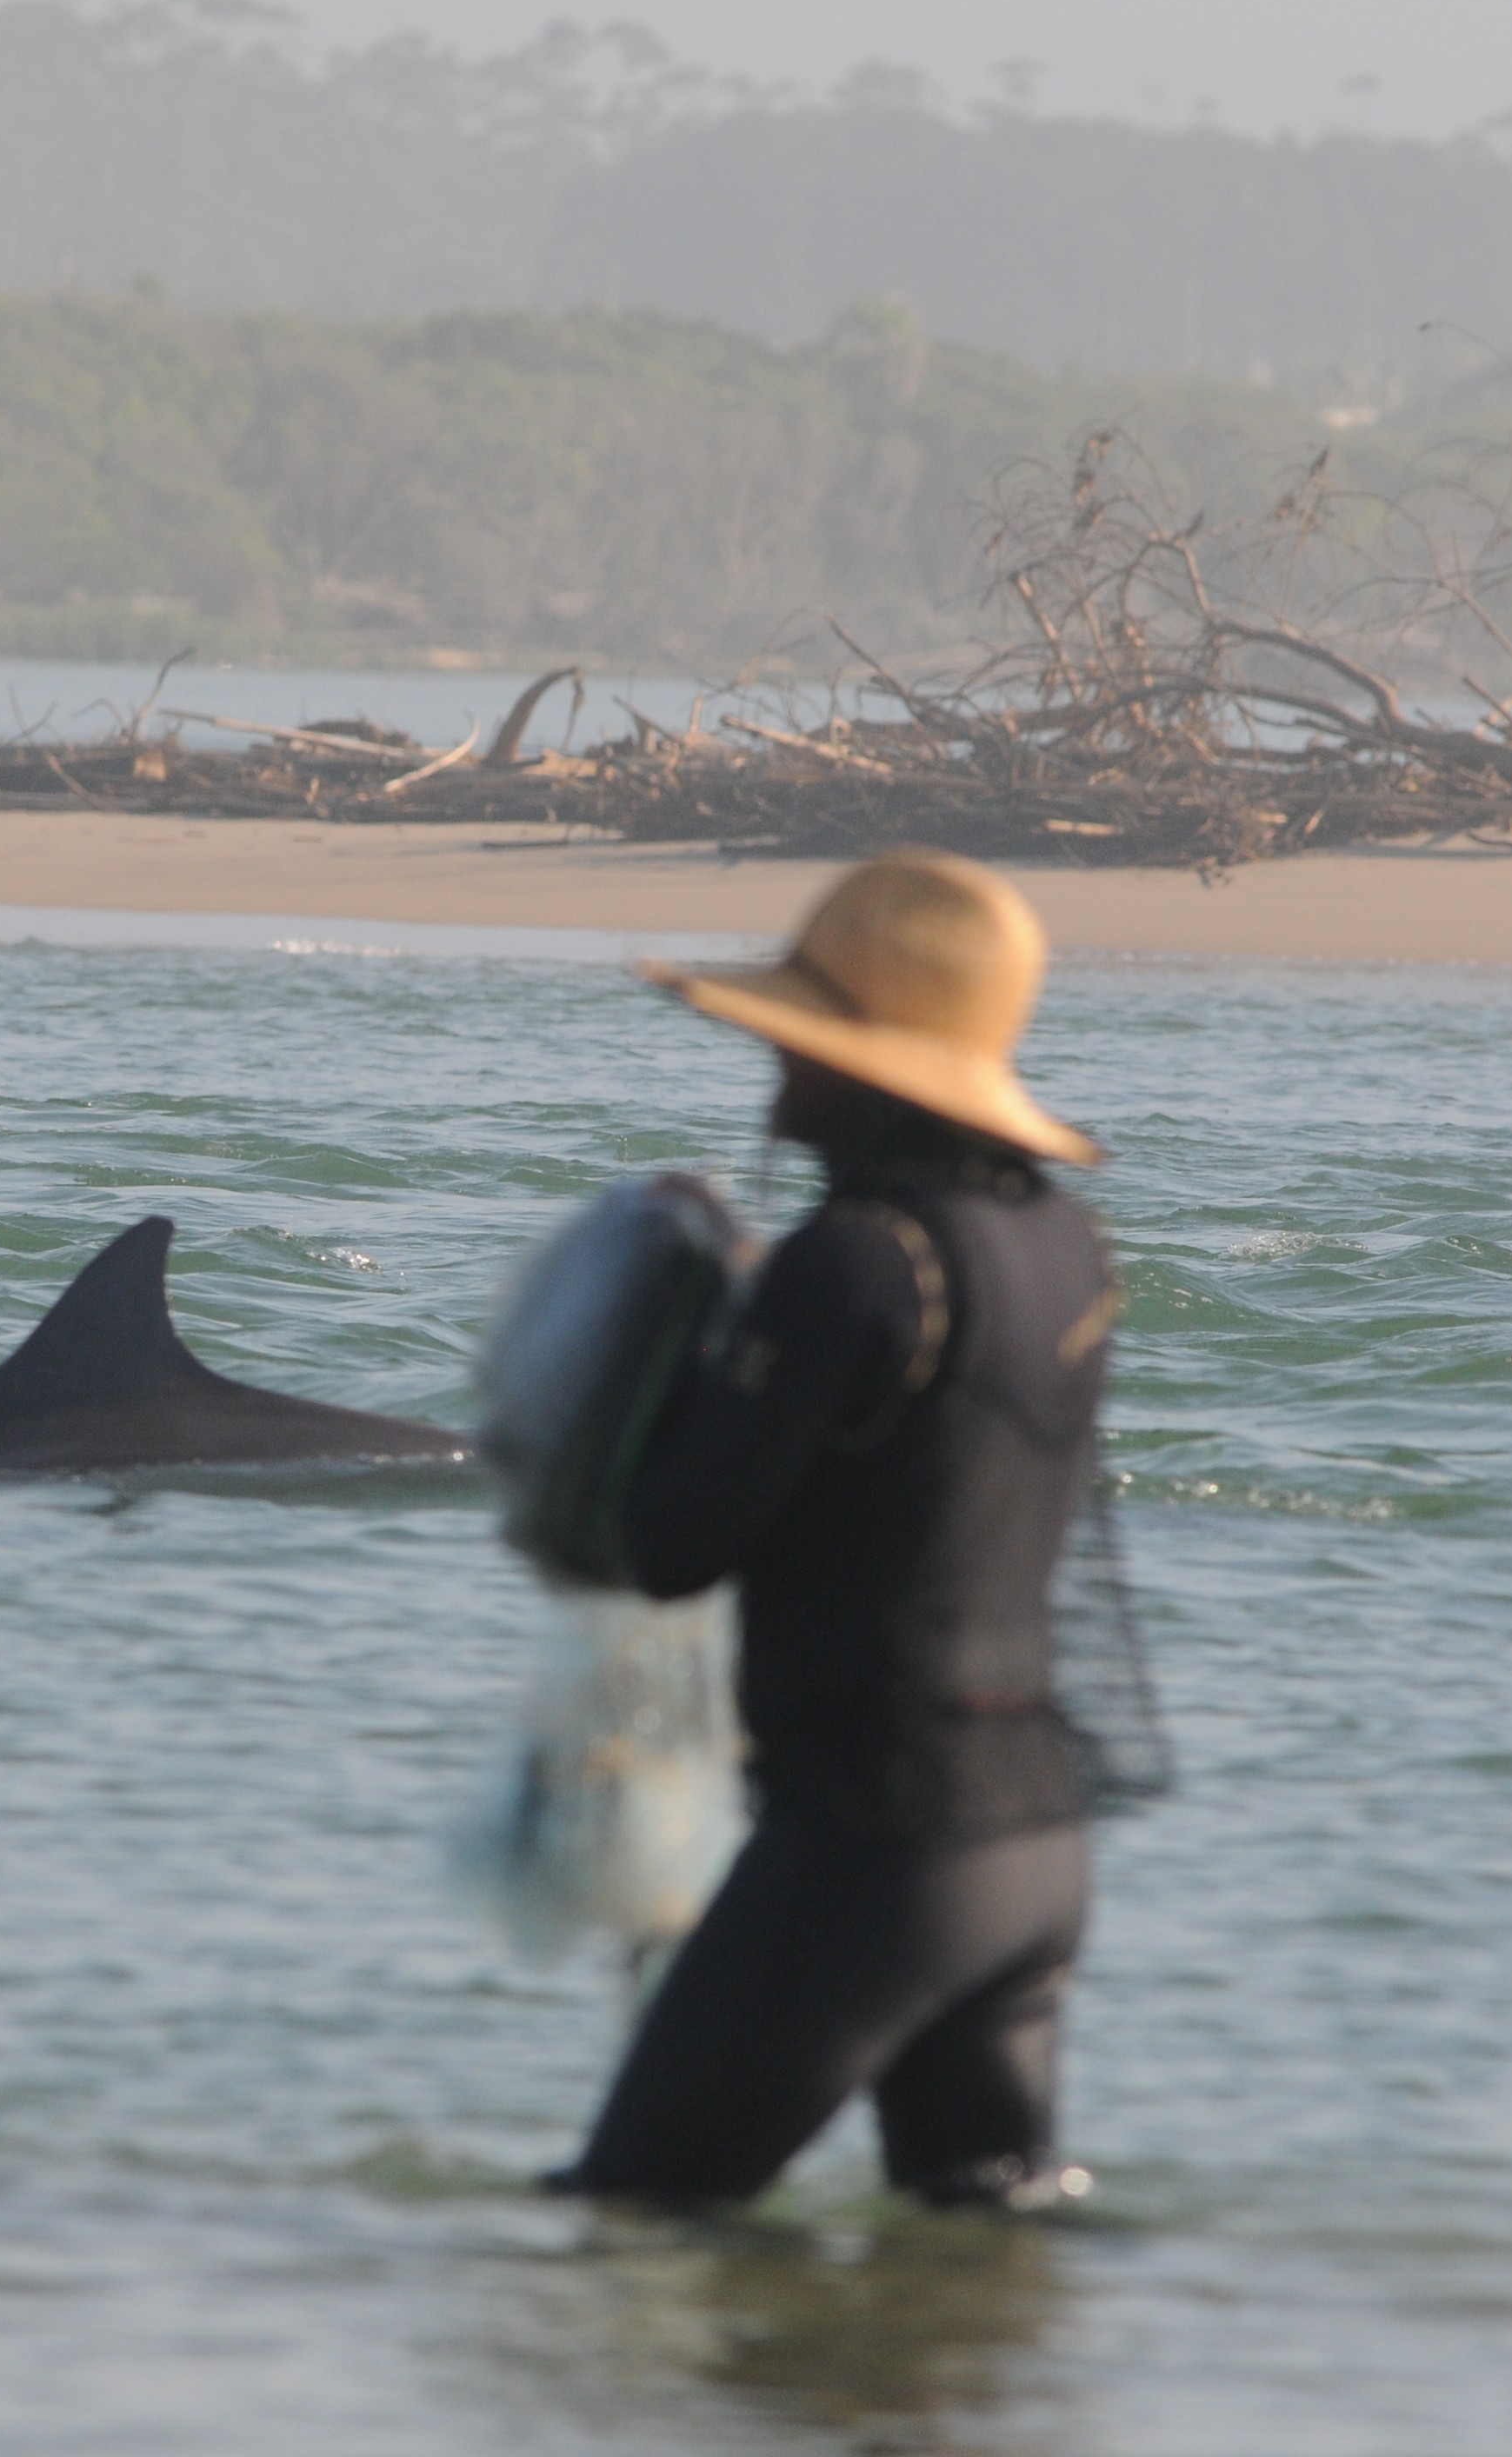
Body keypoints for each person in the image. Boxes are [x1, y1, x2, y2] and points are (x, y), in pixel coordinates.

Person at [553, 850, 1118, 2211]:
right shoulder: (1062, 1245)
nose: (769, 1067)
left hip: (879, 1843)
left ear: (862, 1063)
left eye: (792, 1036)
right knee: (982, 2233)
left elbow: (671, 1543)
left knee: (629, 2223)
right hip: (1034, 1839)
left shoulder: (857, 1257)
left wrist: (654, 1357)